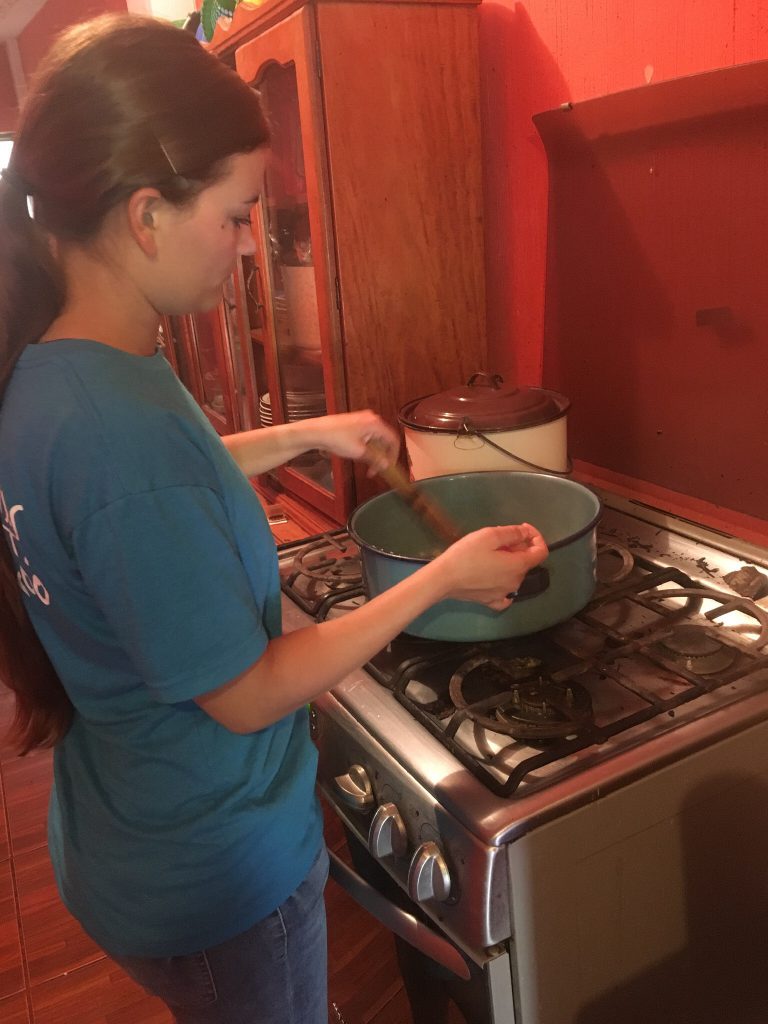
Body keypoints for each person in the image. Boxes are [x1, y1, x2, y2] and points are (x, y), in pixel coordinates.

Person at [0, 14, 548, 1024]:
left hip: (129, 830)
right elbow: (247, 694)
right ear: (147, 215)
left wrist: (314, 433)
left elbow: (164, 486)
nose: (249, 246)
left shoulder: (69, 365)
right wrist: (442, 575)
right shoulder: (119, 432)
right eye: (238, 213)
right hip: (214, 872)